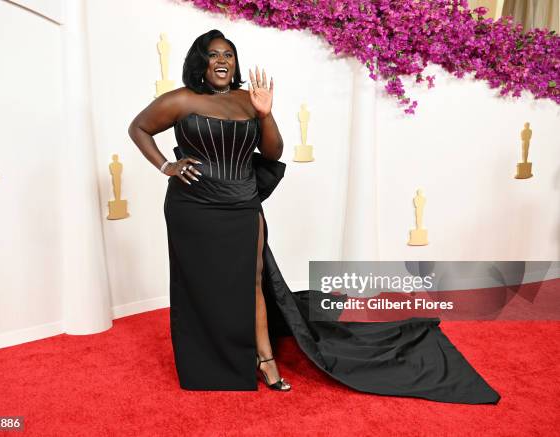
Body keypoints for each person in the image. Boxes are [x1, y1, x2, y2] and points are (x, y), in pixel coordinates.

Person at [128, 29, 501, 404]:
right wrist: (166, 166)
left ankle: (265, 360)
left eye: (229, 54)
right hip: (192, 206)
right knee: (200, 285)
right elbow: (139, 127)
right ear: (200, 61)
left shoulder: (249, 101)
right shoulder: (180, 99)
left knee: (251, 282)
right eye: (214, 55)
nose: (223, 60)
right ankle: (208, 365)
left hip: (241, 202)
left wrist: (266, 114)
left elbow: (272, 153)